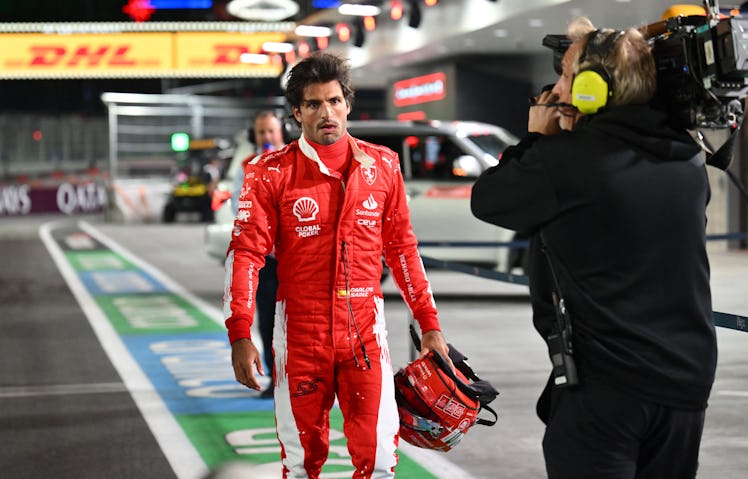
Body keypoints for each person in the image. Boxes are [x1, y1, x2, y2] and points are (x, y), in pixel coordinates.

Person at [470, 17, 717, 479]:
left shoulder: (565, 161)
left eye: (565, 75)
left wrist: (537, 138)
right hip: (686, 384)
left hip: (608, 389)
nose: (556, 88)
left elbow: (489, 200)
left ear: (591, 88)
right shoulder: (687, 157)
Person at [223, 51, 451, 479]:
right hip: (300, 335)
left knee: (381, 460)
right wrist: (240, 332)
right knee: (301, 463)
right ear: (296, 113)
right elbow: (246, 254)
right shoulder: (268, 171)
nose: (326, 113)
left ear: (347, 103)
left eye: (333, 101)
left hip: (366, 332)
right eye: (313, 104)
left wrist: (430, 324)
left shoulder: (382, 165)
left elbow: (401, 247)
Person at [230, 110, 286, 399]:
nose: (267, 137)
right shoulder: (246, 165)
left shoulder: (295, 159)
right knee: (266, 319)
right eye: (261, 132)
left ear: (281, 132)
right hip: (265, 259)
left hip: (297, 258)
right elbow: (237, 208)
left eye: (271, 132)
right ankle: (274, 378)